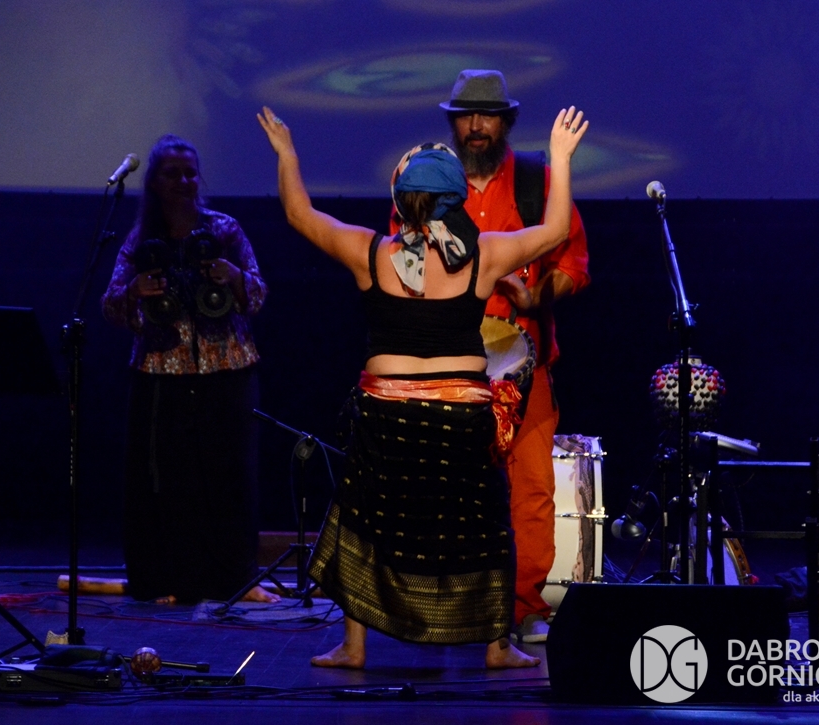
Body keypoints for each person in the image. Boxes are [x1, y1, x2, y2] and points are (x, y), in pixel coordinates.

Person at [256, 102, 587, 668]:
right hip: (459, 416)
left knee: (363, 520)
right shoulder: (483, 255)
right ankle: (497, 648)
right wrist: (560, 156)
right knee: (485, 523)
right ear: (455, 199)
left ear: (399, 197)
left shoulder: (371, 251)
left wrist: (287, 153)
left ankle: (355, 646)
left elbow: (298, 212)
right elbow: (556, 231)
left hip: (386, 415)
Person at [432, 69, 591, 642]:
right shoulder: (430, 183)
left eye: (488, 116)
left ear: (506, 123)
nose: (476, 126)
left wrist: (537, 295)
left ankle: (525, 607)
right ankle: (453, 603)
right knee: (450, 488)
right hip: (448, 364)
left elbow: (573, 265)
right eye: (466, 117)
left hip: (525, 365)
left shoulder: (535, 182)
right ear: (453, 123)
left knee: (531, 489)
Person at [101, 134, 277, 605]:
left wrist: (233, 276)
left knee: (230, 478)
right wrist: (134, 291)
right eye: (172, 173)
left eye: (190, 173)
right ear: (155, 183)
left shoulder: (224, 229)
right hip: (162, 374)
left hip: (228, 369)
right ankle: (168, 578)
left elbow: (259, 293)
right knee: (167, 482)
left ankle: (237, 579)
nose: (183, 181)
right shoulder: (141, 239)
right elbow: (109, 304)